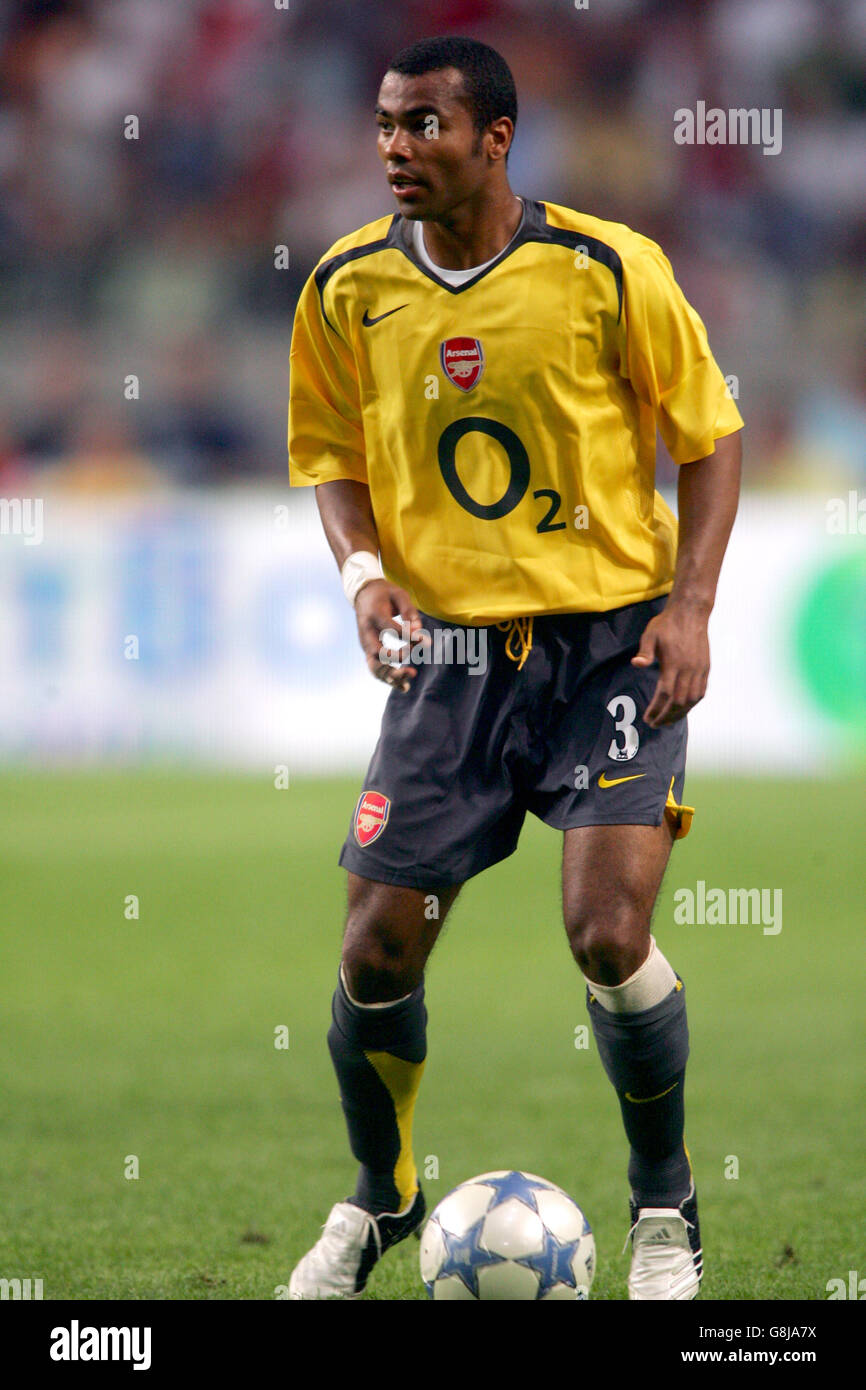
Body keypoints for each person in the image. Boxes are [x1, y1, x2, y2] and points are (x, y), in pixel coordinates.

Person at [286, 34, 743, 1300]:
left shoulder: (605, 267)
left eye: (423, 125)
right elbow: (326, 451)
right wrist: (359, 572)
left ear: (495, 138)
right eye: (384, 125)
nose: (395, 148)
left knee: (605, 931)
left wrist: (692, 604)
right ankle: (380, 1198)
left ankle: (664, 1208)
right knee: (376, 951)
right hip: (447, 660)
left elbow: (710, 435)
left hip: (611, 644)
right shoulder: (342, 286)